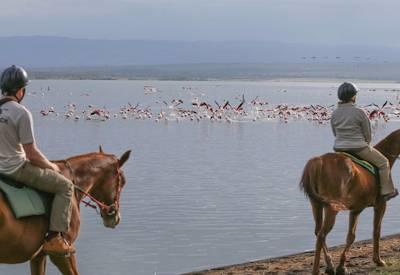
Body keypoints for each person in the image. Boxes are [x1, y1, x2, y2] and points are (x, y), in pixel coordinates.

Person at [0, 65, 75, 255]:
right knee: (65, 187)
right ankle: (55, 239)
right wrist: (52, 166)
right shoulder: (21, 112)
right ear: (20, 91)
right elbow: (31, 154)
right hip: (15, 169)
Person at [330, 82, 398, 201]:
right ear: (353, 96)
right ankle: (386, 192)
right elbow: (367, 134)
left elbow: (335, 132)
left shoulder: (335, 113)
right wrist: (366, 144)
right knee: (383, 163)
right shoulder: (359, 112)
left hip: (339, 148)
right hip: (358, 148)